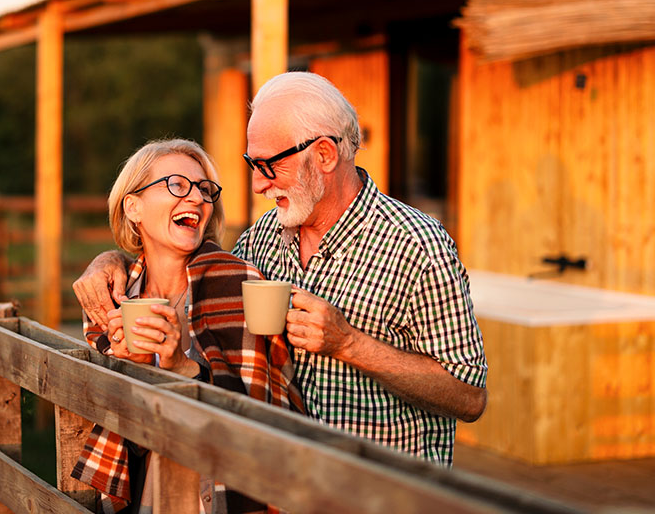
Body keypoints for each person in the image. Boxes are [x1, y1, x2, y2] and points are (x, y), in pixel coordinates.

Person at [74, 72, 487, 466]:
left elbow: (468, 397)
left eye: (269, 165)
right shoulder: (260, 240)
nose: (257, 184)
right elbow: (180, 266)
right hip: (279, 488)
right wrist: (111, 261)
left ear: (323, 154)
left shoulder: (417, 244)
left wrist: (348, 344)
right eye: (252, 165)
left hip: (379, 494)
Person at [71, 138, 302, 514]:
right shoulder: (113, 296)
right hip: (145, 490)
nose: (196, 198)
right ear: (134, 207)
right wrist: (135, 369)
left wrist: (181, 369)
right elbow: (110, 423)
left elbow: (262, 414)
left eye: (205, 190)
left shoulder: (237, 282)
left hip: (222, 496)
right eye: (177, 185)